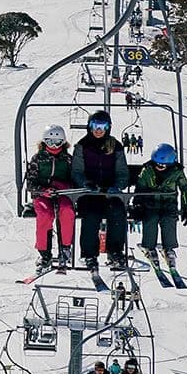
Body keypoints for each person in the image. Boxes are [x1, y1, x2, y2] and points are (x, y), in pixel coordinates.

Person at [73, 111, 129, 273]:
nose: (98, 130)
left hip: (110, 192)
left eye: (102, 126)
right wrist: (85, 183)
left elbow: (123, 173)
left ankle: (115, 252)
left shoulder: (115, 146)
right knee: (91, 214)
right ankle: (89, 255)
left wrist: (117, 186)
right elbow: (76, 171)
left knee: (118, 211)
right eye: (95, 126)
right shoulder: (82, 146)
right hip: (89, 193)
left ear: (108, 128)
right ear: (89, 127)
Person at [25, 125, 78, 273]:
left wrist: (63, 187)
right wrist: (43, 190)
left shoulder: (67, 159)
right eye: (50, 142)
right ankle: (44, 254)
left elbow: (75, 181)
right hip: (42, 195)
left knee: (67, 211)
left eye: (57, 142)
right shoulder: (38, 159)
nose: (54, 146)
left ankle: (65, 248)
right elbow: (30, 183)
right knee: (45, 214)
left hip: (62, 194)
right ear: (44, 142)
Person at [131, 143, 187, 271]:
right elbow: (140, 188)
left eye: (163, 165)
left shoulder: (176, 172)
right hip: (151, 203)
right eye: (157, 164)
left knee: (168, 219)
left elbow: (185, 189)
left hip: (168, 204)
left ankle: (168, 248)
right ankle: (149, 246)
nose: (159, 167)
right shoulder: (147, 171)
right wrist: (137, 205)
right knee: (151, 218)